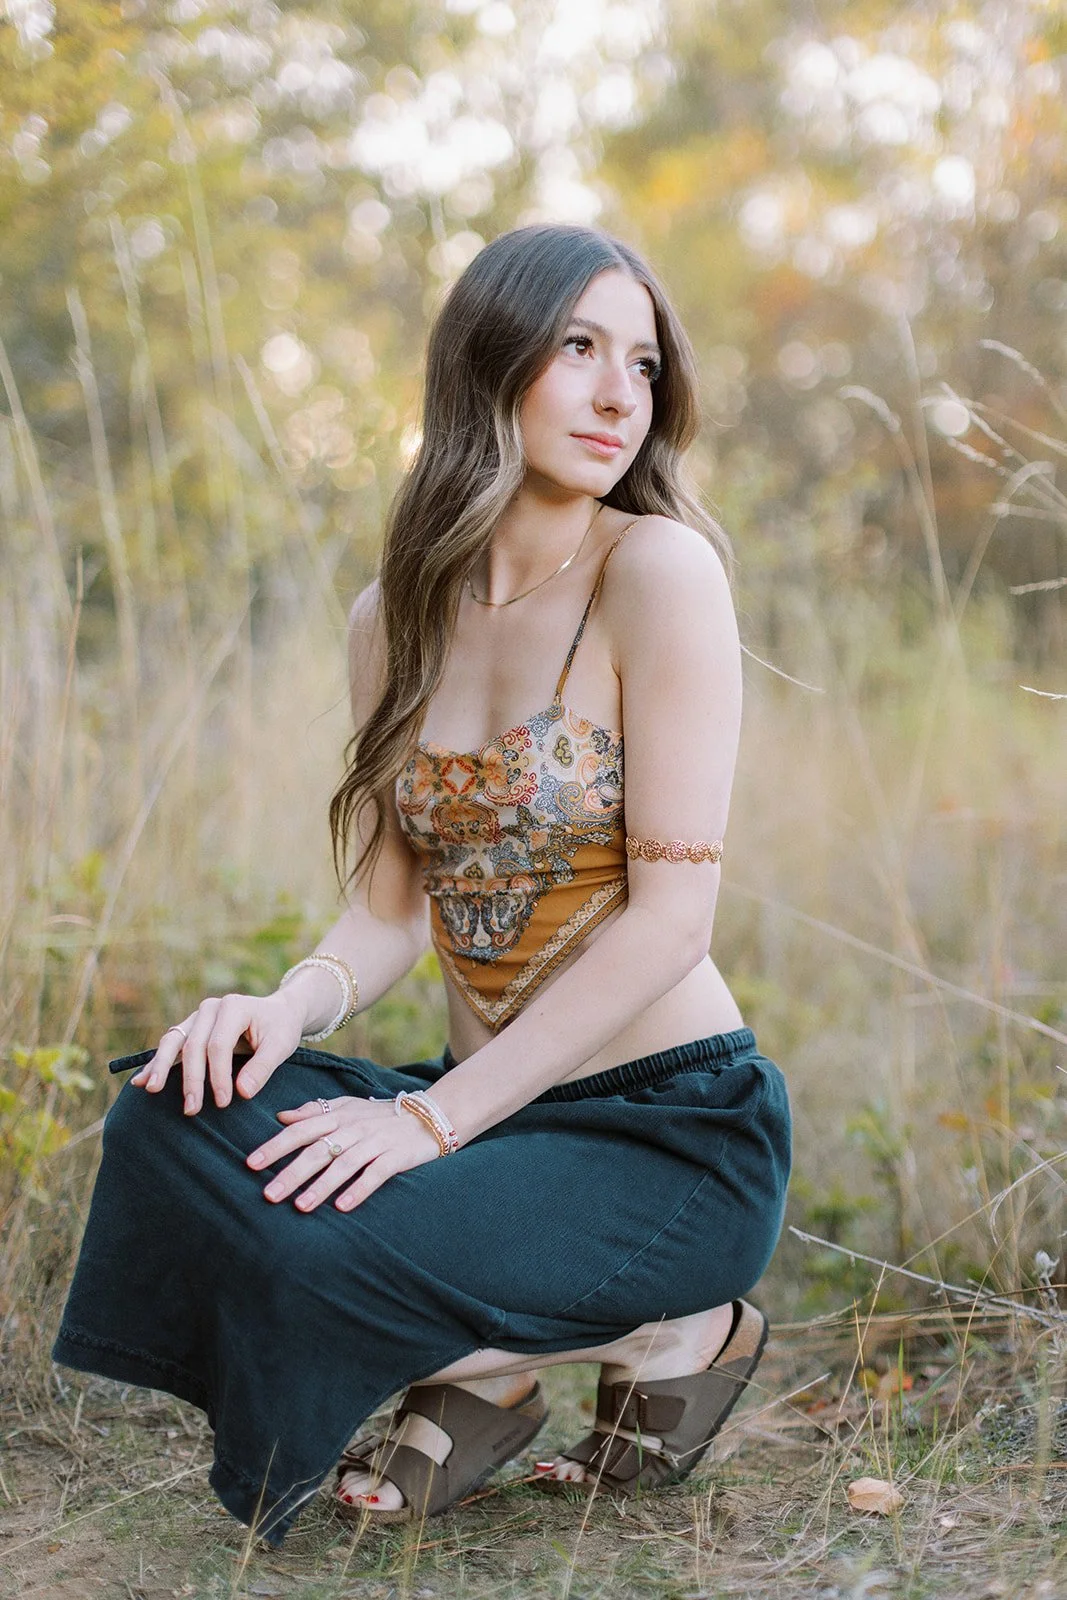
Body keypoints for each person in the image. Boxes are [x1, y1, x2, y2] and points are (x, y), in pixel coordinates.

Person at [53, 223, 791, 1544]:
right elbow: (391, 912)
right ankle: (484, 1363)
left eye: (642, 363)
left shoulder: (657, 570)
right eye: (578, 348)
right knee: (174, 1104)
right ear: (488, 362)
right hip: (490, 1127)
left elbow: (673, 921)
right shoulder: (390, 615)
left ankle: (663, 1325)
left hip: (667, 1137)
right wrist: (281, 1010)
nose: (620, 394)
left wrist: (430, 1124)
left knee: (325, 1230)